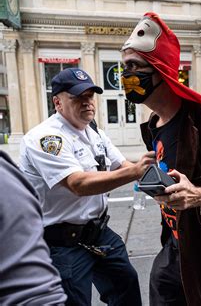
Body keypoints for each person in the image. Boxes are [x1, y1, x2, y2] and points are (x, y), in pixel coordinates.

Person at [121, 12, 201, 305]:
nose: (126, 74)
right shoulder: (154, 125)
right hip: (173, 250)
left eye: (135, 66)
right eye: (124, 66)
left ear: (161, 71)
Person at [19, 68, 156, 305]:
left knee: (126, 285)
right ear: (58, 102)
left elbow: (122, 164)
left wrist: (156, 182)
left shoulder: (95, 133)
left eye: (90, 96)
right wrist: (135, 171)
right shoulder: (45, 138)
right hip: (62, 244)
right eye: (78, 97)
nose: (87, 103)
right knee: (75, 300)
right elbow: (78, 184)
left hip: (99, 233)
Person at [0, 151, 67, 305]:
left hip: (95, 232)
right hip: (64, 235)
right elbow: (77, 183)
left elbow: (33, 295)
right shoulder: (43, 137)